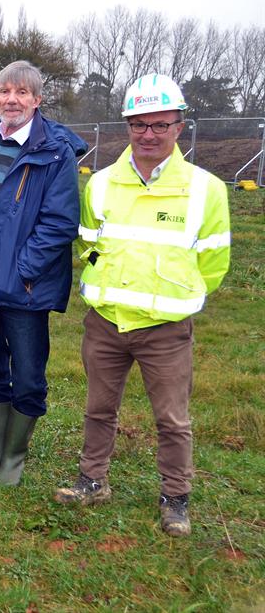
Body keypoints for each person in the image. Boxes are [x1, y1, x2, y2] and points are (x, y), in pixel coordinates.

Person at [54, 74, 230, 537]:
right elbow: (87, 245)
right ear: (127, 126)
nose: (148, 134)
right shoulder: (102, 183)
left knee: (172, 419)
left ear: (179, 125)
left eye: (160, 124)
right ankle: (92, 480)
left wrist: (174, 295)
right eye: (138, 125)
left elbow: (214, 262)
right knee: (98, 408)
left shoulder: (206, 189)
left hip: (167, 330)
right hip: (106, 323)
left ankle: (176, 497)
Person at [0, 60, 83, 486]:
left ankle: (15, 458)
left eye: (22, 93)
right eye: (5, 92)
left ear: (37, 100)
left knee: (27, 372)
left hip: (25, 286)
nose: (13, 99)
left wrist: (23, 268)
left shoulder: (54, 152)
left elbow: (59, 223)